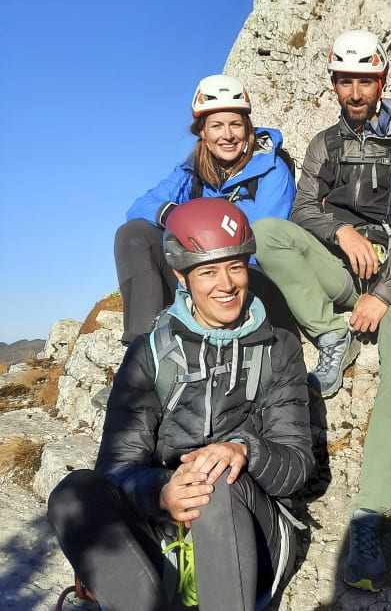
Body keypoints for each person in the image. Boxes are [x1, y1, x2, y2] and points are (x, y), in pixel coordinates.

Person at [48, 198, 313, 611]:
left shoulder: (279, 349)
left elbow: (295, 465)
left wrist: (245, 450)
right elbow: (117, 466)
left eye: (236, 267)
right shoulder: (150, 352)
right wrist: (162, 495)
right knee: (72, 495)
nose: (226, 284)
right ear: (181, 276)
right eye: (208, 271)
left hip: (252, 534)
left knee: (216, 482)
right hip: (166, 530)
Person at [252, 29, 391, 592]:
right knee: (266, 234)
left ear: (381, 81)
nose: (355, 91)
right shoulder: (325, 143)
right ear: (334, 83)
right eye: (345, 80)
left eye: (365, 80)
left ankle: (367, 516)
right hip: (344, 263)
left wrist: (382, 293)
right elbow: (306, 209)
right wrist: (344, 230)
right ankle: (335, 333)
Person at [114, 73, 296, 344]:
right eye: (217, 126)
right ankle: (142, 346)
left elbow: (259, 242)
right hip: (200, 275)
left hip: (250, 276)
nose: (228, 135)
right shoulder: (191, 172)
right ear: (203, 132)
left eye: (235, 124)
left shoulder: (272, 169)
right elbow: (139, 207)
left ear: (247, 128)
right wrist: (175, 215)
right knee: (133, 234)